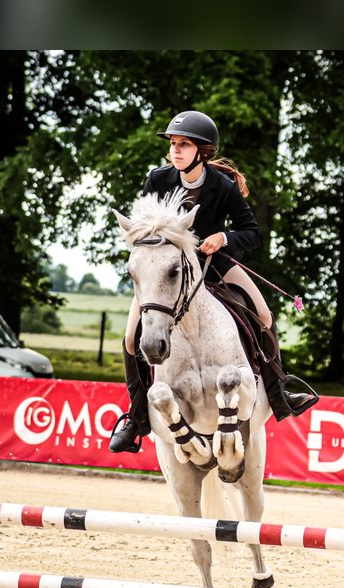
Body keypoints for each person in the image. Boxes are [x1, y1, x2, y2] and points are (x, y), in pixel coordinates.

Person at [109, 109, 318, 453]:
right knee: (132, 339)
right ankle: (135, 416)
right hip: (167, 274)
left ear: (202, 151)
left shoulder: (223, 186)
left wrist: (223, 238)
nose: (175, 150)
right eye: (173, 144)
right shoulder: (157, 179)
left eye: (184, 144)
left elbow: (252, 233)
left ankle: (279, 393)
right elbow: (145, 228)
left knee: (264, 316)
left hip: (214, 266)